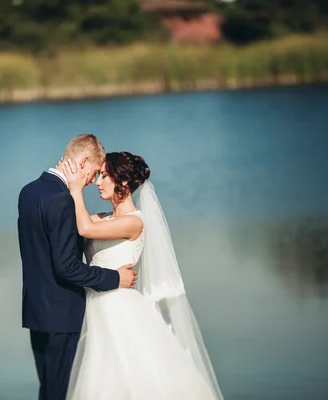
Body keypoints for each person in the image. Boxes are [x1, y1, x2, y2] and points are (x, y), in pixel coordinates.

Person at [60, 152, 224, 399]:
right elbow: (71, 225)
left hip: (119, 309)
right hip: (94, 309)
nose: (97, 182)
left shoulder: (134, 222)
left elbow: (85, 228)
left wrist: (75, 190)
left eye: (104, 176)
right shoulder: (102, 218)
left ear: (123, 183)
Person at [17, 134, 138, 400]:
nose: (93, 181)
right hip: (63, 316)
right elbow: (67, 267)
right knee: (62, 393)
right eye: (95, 172)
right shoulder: (62, 200)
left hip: (37, 314)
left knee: (49, 390)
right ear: (83, 162)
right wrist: (115, 278)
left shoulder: (29, 192)